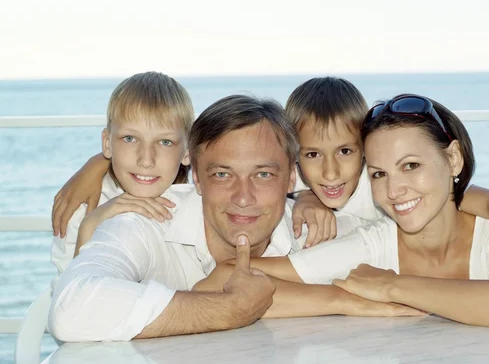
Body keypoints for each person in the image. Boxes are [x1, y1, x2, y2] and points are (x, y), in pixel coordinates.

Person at [49, 95, 420, 343]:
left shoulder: (323, 231)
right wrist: (230, 309)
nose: (244, 197)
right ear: (195, 176)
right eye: (223, 175)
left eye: (263, 175)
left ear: (292, 178)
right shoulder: (145, 222)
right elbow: (72, 308)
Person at [198, 94, 489, 329]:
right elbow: (225, 276)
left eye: (411, 166)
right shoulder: (373, 244)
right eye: (378, 174)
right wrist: (344, 302)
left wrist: (392, 287)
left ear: (452, 158)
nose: (393, 190)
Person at [286, 77, 489, 272]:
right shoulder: (297, 181)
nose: (330, 172)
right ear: (296, 158)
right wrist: (306, 196)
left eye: (346, 151)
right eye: (312, 154)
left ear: (365, 150)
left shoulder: (380, 186)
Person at [51, 71, 195, 279]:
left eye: (165, 142)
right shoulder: (82, 210)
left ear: (187, 151)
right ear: (107, 143)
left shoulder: (198, 208)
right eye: (130, 138)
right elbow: (67, 302)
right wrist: (89, 227)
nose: (146, 160)